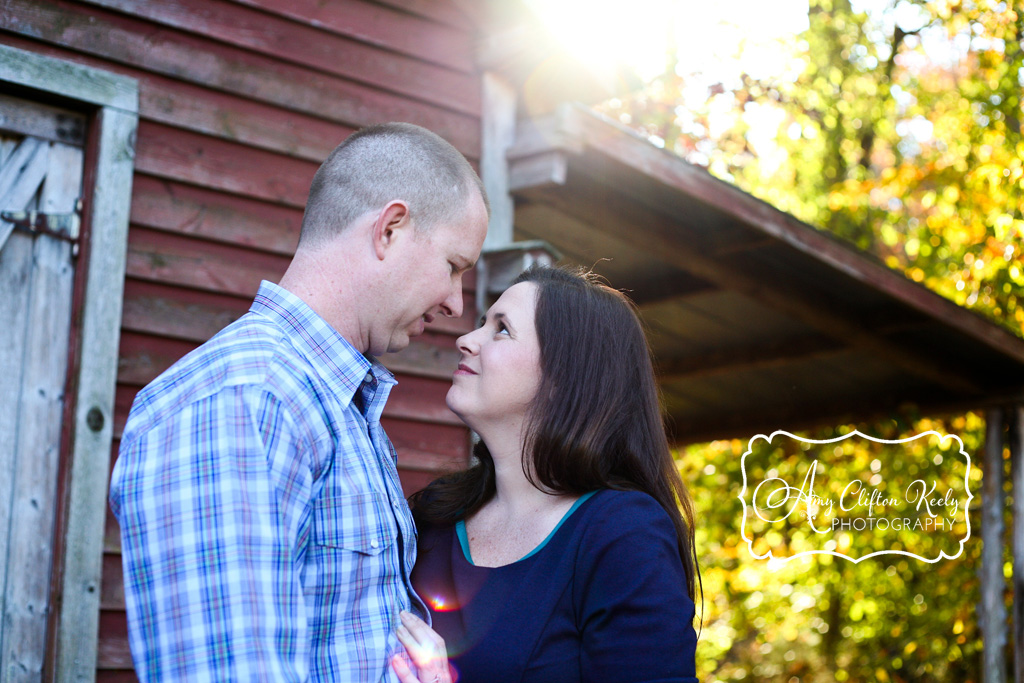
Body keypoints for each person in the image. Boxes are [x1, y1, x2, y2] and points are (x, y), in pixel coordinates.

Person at [109, 122, 489, 681]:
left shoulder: (336, 407)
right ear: (390, 229)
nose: (456, 302)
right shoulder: (245, 398)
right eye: (454, 266)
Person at [390, 265, 701, 683]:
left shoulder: (623, 534)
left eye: (501, 330)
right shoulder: (436, 515)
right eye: (483, 322)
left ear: (563, 377)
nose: (466, 340)